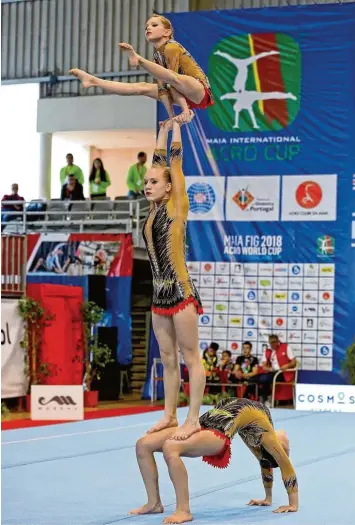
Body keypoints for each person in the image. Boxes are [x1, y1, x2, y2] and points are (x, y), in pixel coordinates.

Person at [130, 398, 298, 523]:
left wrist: (291, 504)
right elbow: (273, 461)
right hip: (200, 425)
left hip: (217, 435)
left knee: (171, 447)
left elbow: (277, 463)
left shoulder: (263, 435)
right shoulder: (263, 430)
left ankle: (183, 510)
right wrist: (267, 498)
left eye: (286, 446)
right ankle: (153, 503)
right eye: (287, 447)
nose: (286, 447)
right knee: (143, 444)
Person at [142, 118, 205, 441]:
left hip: (181, 292)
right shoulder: (151, 213)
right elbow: (158, 162)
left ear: (168, 187)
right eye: (145, 182)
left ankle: (193, 417)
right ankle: (169, 414)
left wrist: (178, 128)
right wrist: (163, 130)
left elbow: (174, 165)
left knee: (190, 355)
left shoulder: (177, 205)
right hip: (158, 296)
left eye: (153, 182)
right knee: (167, 357)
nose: (147, 185)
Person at [70, 14, 213, 122]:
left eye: (154, 25)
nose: (148, 28)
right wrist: (172, 116)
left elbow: (174, 80)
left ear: (167, 32)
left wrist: (185, 110)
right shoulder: (157, 57)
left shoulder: (171, 47)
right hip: (183, 93)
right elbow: (163, 89)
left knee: (172, 78)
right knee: (142, 87)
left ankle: (137, 59)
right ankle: (93, 80)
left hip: (199, 89)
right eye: (146, 27)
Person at [257, 335, 297, 404]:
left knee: (265, 378)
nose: (272, 345)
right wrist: (269, 368)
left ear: (277, 341)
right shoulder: (268, 351)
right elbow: (264, 366)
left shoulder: (285, 347)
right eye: (271, 343)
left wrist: (287, 365)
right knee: (258, 378)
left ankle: (266, 398)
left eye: (274, 342)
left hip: (283, 373)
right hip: (272, 371)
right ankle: (264, 397)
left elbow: (294, 362)